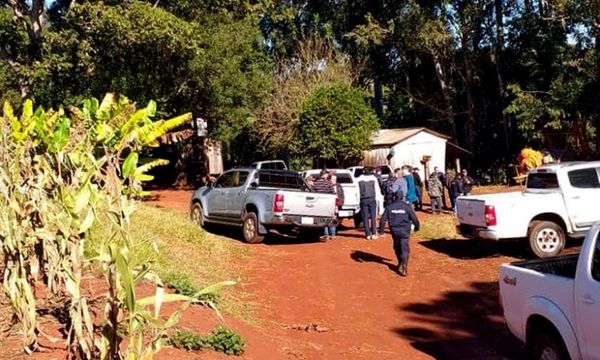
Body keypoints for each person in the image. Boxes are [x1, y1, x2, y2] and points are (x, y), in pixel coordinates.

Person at [379, 189, 420, 276]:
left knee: (397, 246)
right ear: (402, 197)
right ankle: (404, 265)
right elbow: (415, 219)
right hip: (405, 230)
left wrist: (381, 231)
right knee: (404, 247)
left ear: (394, 196)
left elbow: (383, 220)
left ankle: (401, 263)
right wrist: (417, 227)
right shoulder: (407, 206)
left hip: (394, 230)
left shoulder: (390, 206)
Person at [357, 167, 381, 240]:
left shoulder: (358, 179)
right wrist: (379, 200)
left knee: (365, 217)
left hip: (363, 199)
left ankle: (367, 234)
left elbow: (357, 191)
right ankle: (374, 233)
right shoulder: (373, 179)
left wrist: (358, 201)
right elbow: (377, 190)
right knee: (373, 216)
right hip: (372, 198)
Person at [313, 170, 336, 240]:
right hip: (328, 203)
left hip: (319, 203)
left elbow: (314, 191)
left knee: (323, 218)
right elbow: (333, 192)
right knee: (331, 218)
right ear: (325, 175)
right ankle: (332, 234)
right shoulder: (329, 183)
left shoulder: (316, 183)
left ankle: (325, 233)